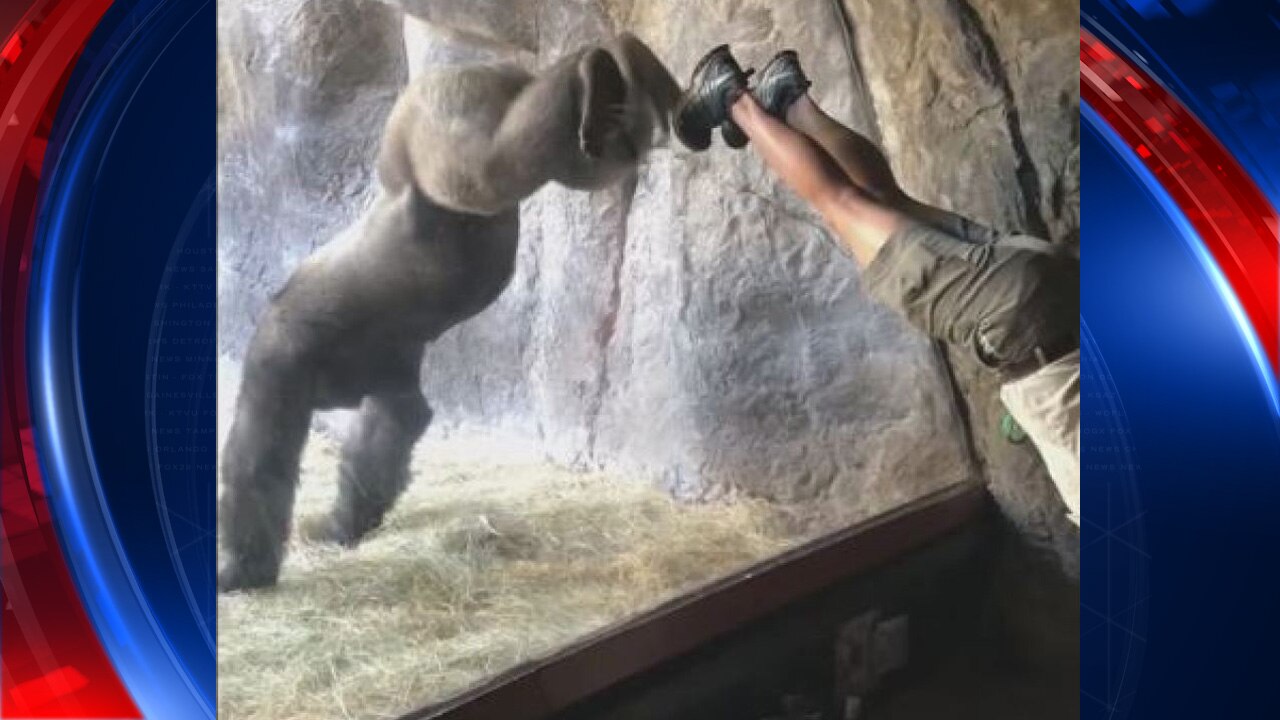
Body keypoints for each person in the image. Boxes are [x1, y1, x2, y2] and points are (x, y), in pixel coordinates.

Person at [673, 46, 1080, 525]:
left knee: (885, 203)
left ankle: (791, 100)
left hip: (1059, 293)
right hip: (1016, 322)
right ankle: (734, 99)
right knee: (841, 205)